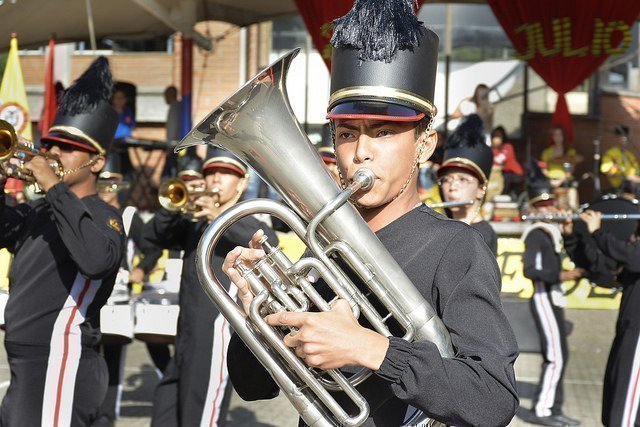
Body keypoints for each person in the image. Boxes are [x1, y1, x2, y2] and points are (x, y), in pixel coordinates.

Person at [218, 1, 519, 425]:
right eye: (346, 133)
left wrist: (370, 349)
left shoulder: (456, 246)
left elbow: (492, 398)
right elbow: (254, 388)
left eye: (384, 132)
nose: (360, 152)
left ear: (424, 144)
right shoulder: (327, 251)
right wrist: (256, 314)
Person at [0, 57, 125, 426]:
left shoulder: (104, 215)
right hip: (27, 361)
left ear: (97, 162)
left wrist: (51, 185)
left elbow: (96, 259)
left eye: (67, 146)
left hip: (61, 360)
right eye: (49, 144)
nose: (52, 153)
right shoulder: (43, 212)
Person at [147, 150, 277, 427]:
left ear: (241, 183)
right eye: (210, 173)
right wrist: (173, 208)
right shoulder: (196, 220)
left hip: (216, 334)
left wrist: (219, 215)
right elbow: (152, 236)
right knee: (164, 415)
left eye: (226, 173)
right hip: (183, 333)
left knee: (199, 419)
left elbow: (268, 243)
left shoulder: (248, 217)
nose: (216, 179)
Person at [93, 155, 165, 427]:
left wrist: (141, 269)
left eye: (111, 185)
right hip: (91, 293)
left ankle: (107, 415)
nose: (107, 191)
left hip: (118, 296)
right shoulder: (86, 210)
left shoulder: (129, 216)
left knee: (112, 355)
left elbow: (153, 247)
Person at [521, 162, 583, 426]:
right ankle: (543, 410)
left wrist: (569, 231)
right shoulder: (536, 233)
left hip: (553, 298)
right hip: (544, 297)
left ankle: (553, 407)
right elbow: (530, 270)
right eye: (544, 207)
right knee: (555, 355)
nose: (551, 211)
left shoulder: (552, 233)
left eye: (551, 205)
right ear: (536, 210)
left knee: (561, 354)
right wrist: (564, 276)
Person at [569, 209, 640, 426]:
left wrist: (598, 232)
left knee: (625, 412)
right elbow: (601, 267)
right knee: (614, 397)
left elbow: (632, 258)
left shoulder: (634, 254)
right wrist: (571, 236)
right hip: (628, 331)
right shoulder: (633, 247)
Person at [437, 114, 497, 256]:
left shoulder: (482, 235)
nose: (452, 187)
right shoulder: (440, 228)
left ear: (481, 189)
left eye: (462, 180)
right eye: (446, 180)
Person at [601, 124, 640, 197]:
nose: (624, 138)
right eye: (621, 136)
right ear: (616, 137)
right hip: (622, 184)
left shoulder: (629, 154)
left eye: (626, 136)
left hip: (634, 181)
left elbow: (637, 168)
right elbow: (607, 170)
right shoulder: (610, 153)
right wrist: (626, 175)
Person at [491, 125, 524, 197]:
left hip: (514, 174)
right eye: (495, 136)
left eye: (499, 136)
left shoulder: (507, 147)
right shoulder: (493, 151)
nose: (496, 139)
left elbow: (501, 160)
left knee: (505, 179)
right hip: (501, 174)